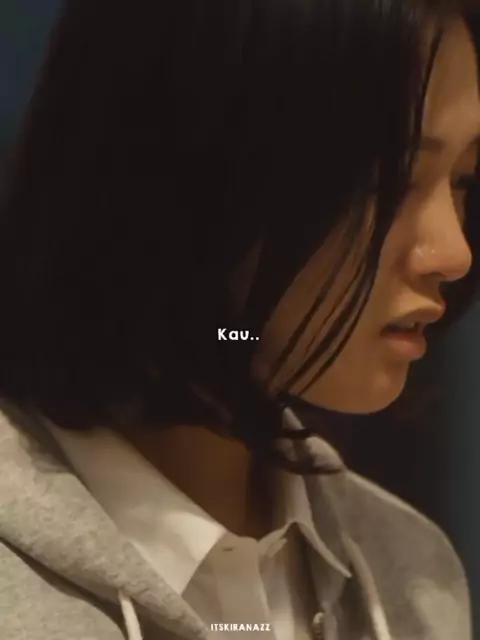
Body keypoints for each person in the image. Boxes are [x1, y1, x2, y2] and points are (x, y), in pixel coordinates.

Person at [0, 0, 479, 638]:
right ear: (186, 172)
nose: (454, 252)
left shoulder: (415, 574)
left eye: (463, 180)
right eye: (385, 180)